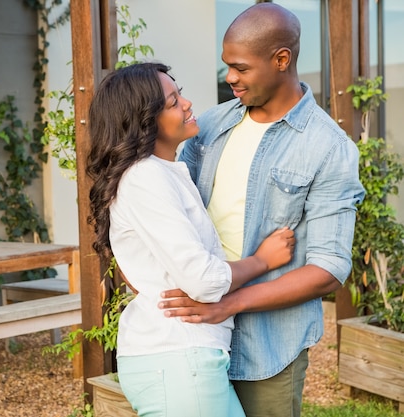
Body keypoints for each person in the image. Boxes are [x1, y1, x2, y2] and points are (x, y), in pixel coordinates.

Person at [158, 4, 365, 417]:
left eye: (240, 68)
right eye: (226, 66)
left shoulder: (329, 147)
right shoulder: (210, 126)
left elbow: (328, 268)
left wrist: (228, 304)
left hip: (268, 347)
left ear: (281, 59)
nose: (230, 77)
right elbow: (172, 211)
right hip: (193, 335)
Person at [86, 62, 296, 417]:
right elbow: (203, 281)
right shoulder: (145, 178)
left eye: (179, 92)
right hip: (178, 361)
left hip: (184, 360)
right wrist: (263, 260)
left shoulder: (163, 173)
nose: (186, 104)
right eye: (172, 102)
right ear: (144, 120)